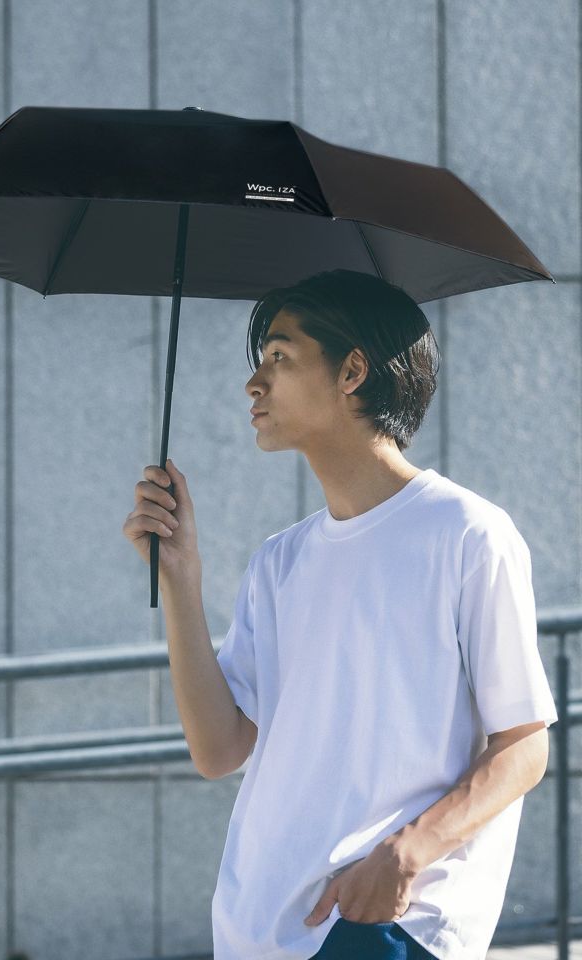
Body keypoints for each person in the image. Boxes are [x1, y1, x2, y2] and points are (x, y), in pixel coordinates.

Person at [122, 268, 558, 960]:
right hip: (257, 925)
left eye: (280, 356)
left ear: (352, 371)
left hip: (383, 923)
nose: (254, 383)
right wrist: (181, 578)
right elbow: (219, 749)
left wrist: (406, 855)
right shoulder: (279, 561)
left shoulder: (468, 534)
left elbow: (525, 745)